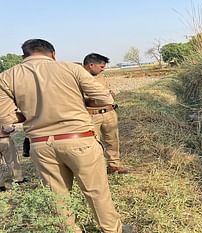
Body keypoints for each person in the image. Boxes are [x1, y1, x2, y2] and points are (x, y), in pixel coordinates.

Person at [0, 39, 132, 233]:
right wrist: (78, 103)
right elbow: (105, 98)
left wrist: (30, 113)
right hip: (79, 139)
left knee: (58, 197)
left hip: (41, 144)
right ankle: (112, 230)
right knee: (96, 192)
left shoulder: (6, 77)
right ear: (53, 54)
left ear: (24, 56)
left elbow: (6, 117)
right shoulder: (70, 68)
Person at [83, 53, 128, 174]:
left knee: (112, 140)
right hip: (91, 114)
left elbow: (107, 90)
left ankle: (114, 165)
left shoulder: (101, 76)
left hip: (109, 112)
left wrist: (110, 94)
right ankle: (96, 169)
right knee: (93, 143)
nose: (104, 69)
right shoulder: (78, 77)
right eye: (101, 67)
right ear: (91, 65)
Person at [0, 124, 28, 192]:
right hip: (4, 139)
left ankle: (1, 185)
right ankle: (18, 179)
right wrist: (12, 127)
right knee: (12, 160)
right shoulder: (2, 114)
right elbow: (7, 128)